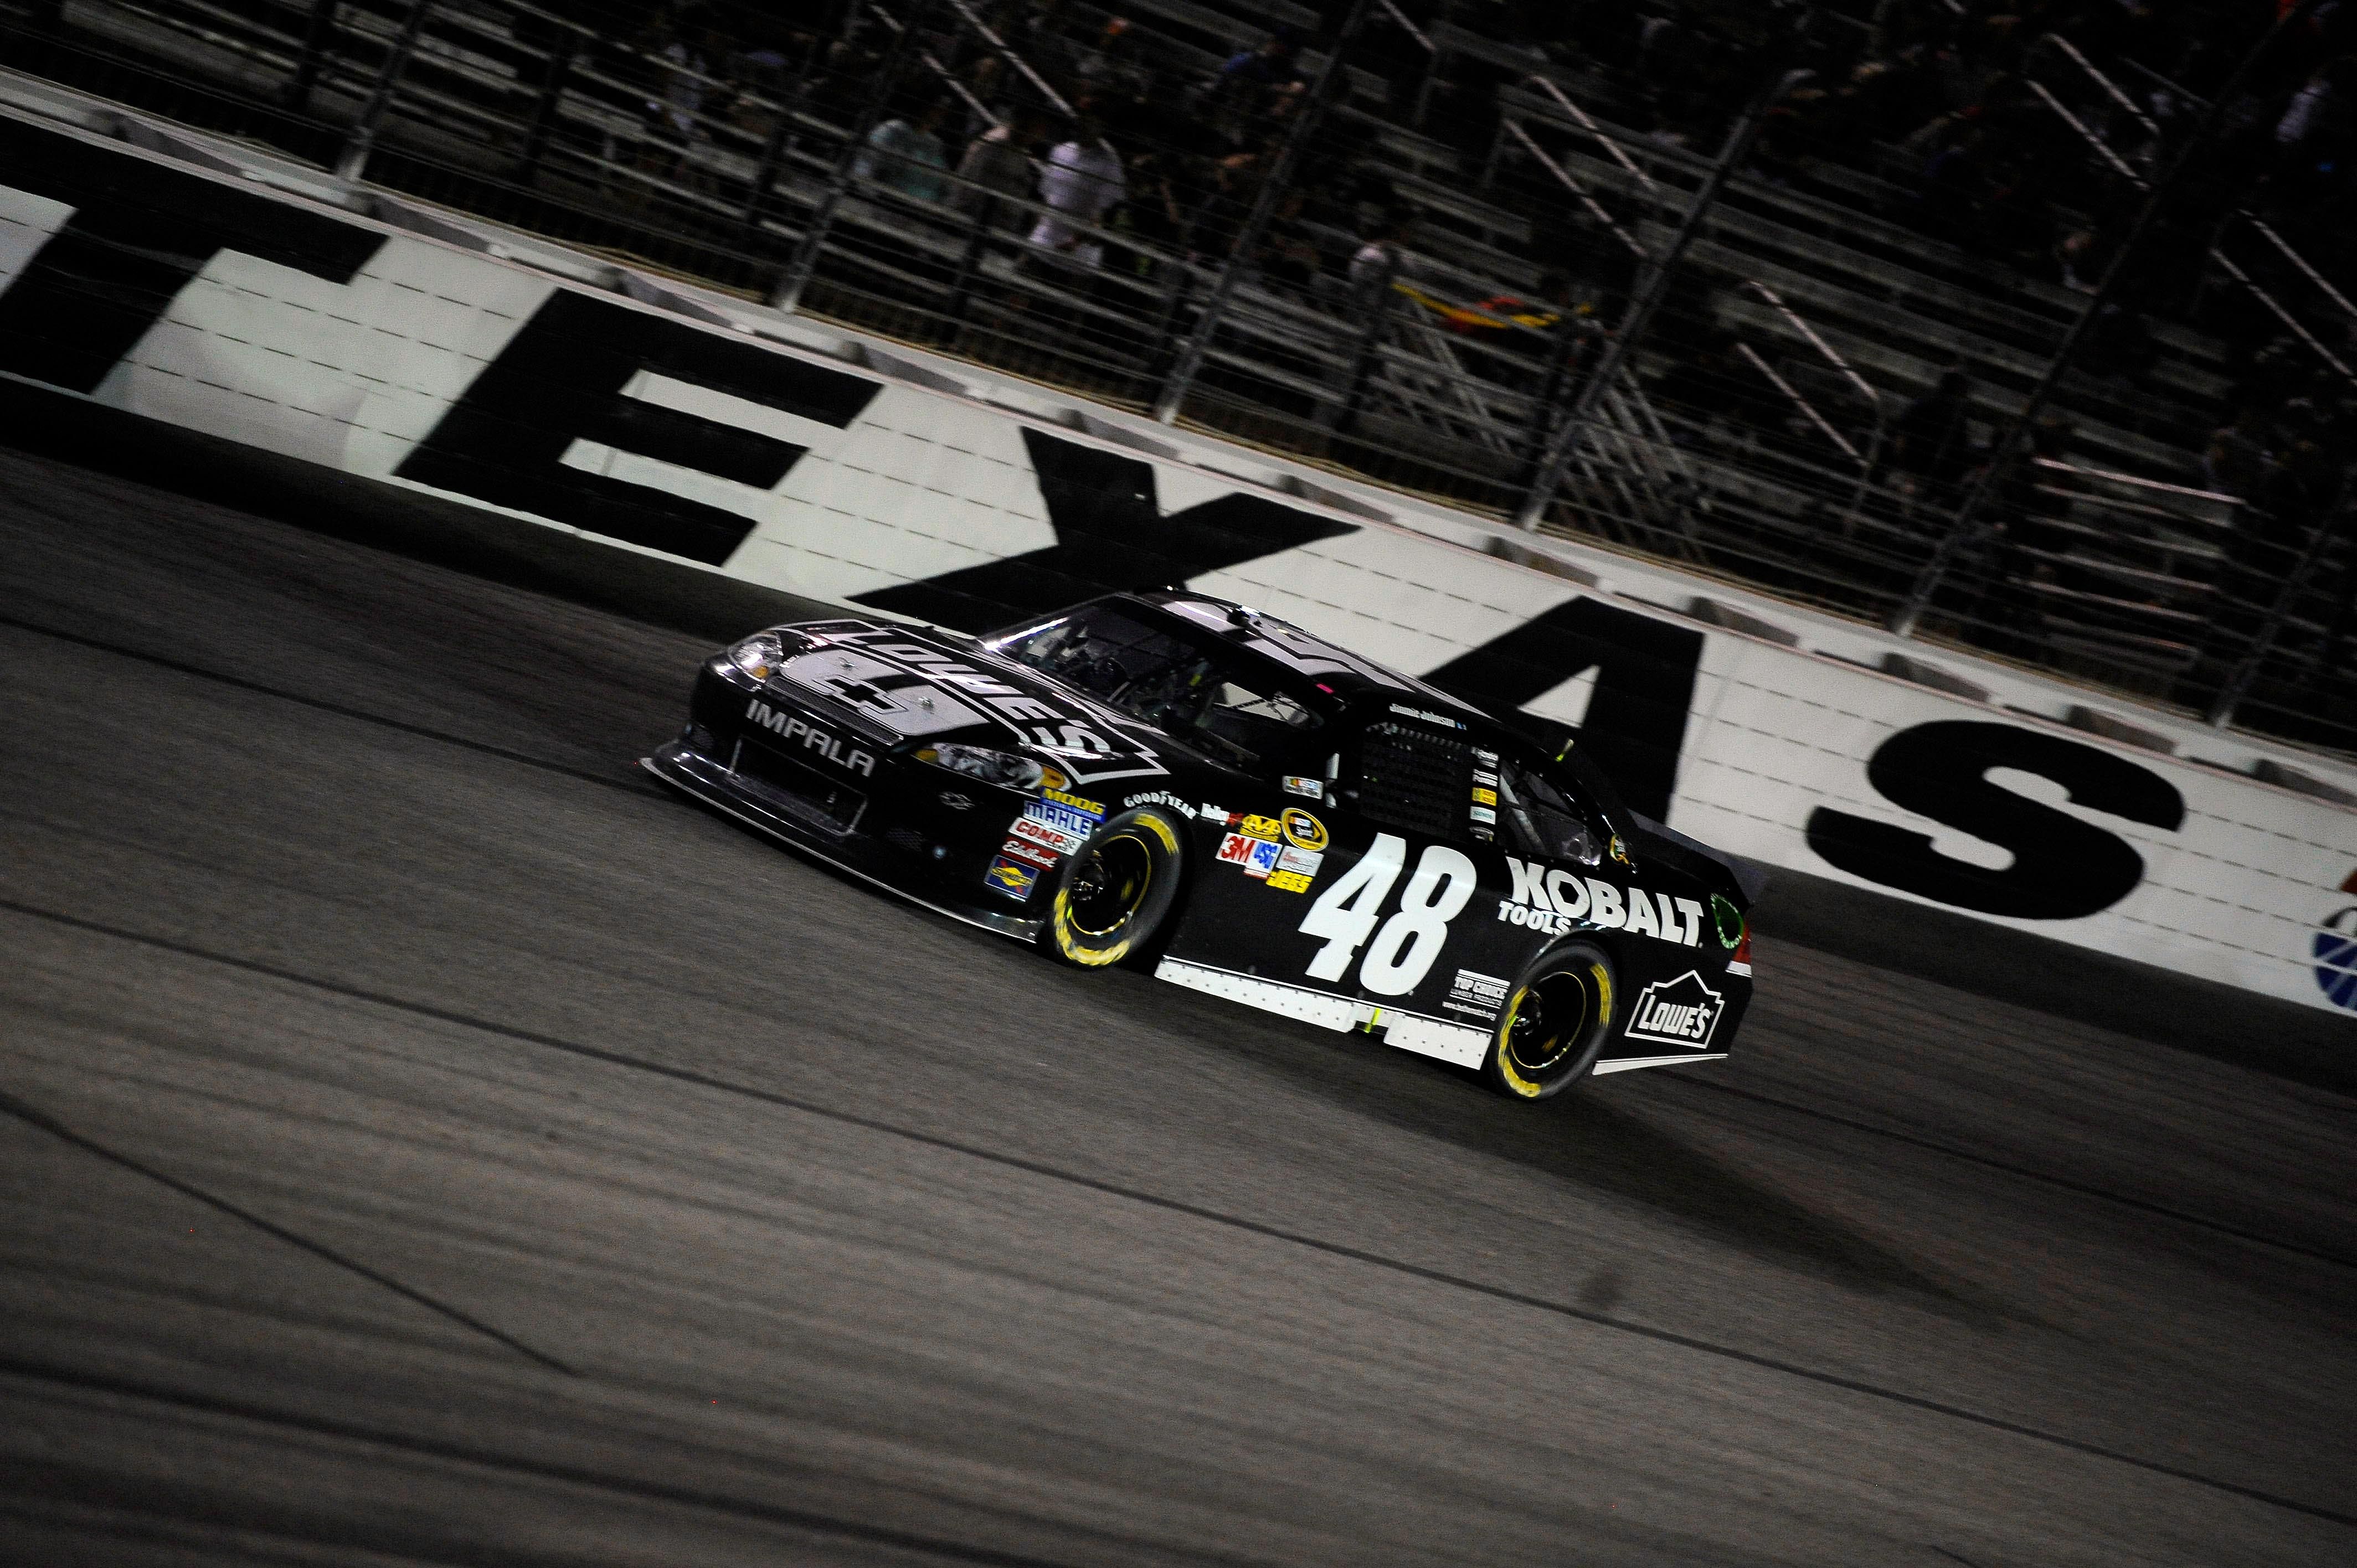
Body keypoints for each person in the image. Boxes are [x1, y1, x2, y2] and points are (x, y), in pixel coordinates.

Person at [1027, 106, 1126, 270]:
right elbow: (1045, 197)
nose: (1086, 127)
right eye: (1084, 121)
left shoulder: (1110, 165)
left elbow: (1106, 213)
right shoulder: (1061, 151)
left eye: (1093, 124)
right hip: (1043, 242)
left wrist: (1077, 241)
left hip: (1079, 256)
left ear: (1101, 128)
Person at [855, 96, 955, 206]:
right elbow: (865, 165)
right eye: (937, 110)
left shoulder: (935, 144)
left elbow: (944, 184)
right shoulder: (892, 130)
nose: (940, 116)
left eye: (943, 113)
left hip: (918, 211)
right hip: (884, 203)